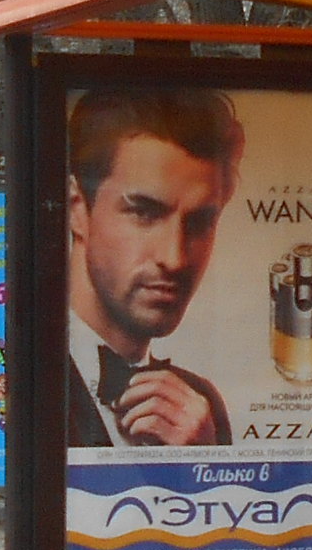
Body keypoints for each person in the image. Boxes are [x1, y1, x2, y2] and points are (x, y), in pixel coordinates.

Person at [61, 85, 241, 450]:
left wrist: (201, 460)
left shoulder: (199, 405)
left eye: (200, 222)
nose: (174, 258)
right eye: (144, 212)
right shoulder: (20, 382)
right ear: (77, 208)